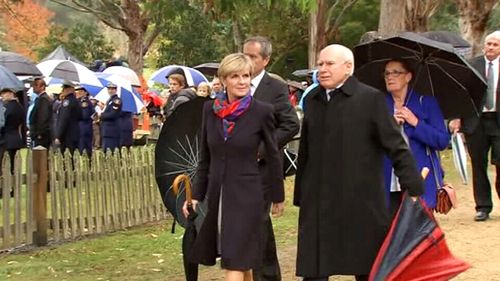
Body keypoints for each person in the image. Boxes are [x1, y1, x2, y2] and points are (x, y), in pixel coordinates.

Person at [293, 44, 424, 281]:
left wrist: (412, 185)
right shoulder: (312, 99)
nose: (322, 69)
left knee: (367, 267)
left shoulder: (369, 99)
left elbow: (395, 145)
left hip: (359, 198)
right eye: (320, 64)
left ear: (348, 67)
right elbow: (306, 151)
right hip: (319, 198)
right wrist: (301, 191)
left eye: (329, 64)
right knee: (315, 268)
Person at [183, 53, 284, 281]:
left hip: (248, 195)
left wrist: (278, 195)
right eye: (235, 76)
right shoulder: (209, 110)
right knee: (240, 258)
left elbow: (273, 154)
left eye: (246, 75)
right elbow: (205, 157)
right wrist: (197, 195)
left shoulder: (262, 111)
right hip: (218, 196)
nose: (242, 81)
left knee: (234, 260)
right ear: (224, 80)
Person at [243, 35, 300, 281]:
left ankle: (266, 276)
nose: (246, 60)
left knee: (258, 223)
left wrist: (262, 148)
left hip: (262, 170)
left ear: (265, 60)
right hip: (234, 170)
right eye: (244, 54)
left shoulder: (274, 88)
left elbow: (290, 125)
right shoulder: (232, 85)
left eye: (253, 56)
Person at [382, 59, 450, 216]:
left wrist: (416, 123)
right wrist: (390, 126)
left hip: (420, 176)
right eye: (386, 73)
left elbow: (442, 141)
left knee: (417, 234)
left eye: (395, 72)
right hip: (387, 180)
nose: (390, 77)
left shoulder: (426, 103)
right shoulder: (378, 103)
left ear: (408, 77)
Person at [449, 30, 500, 221]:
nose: (490, 48)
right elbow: (460, 93)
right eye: (488, 44)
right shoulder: (472, 65)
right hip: (476, 122)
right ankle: (483, 207)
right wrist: (455, 117)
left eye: (495, 45)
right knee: (478, 165)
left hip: (498, 122)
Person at [0, 88, 25, 172]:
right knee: (13, 167)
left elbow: (3, 122)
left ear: (11, 93)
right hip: (16, 139)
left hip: (5, 140)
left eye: (4, 93)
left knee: (5, 167)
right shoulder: (20, 107)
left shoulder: (5, 107)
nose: (2, 96)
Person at [54, 81, 82, 154]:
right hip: (74, 133)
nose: (62, 91)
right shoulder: (76, 101)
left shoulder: (67, 102)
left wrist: (58, 135)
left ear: (69, 89)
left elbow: (63, 119)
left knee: (67, 158)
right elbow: (80, 116)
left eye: (64, 89)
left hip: (67, 135)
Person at [29, 78, 52, 149]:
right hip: (38, 132)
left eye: (36, 85)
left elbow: (43, 117)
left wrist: (39, 133)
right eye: (33, 85)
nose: (34, 87)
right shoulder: (39, 99)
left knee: (41, 154)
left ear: (42, 87)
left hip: (42, 134)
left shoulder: (44, 99)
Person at [100, 82, 122, 152]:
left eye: (112, 89)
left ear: (116, 90)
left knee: (111, 151)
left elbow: (113, 114)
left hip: (112, 130)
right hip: (106, 130)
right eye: (109, 89)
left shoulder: (116, 101)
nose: (110, 91)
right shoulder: (109, 100)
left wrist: (101, 115)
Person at [75, 86, 95, 155]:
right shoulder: (79, 101)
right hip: (82, 128)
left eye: (81, 91)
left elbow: (85, 115)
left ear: (85, 93)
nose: (79, 93)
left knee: (83, 148)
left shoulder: (85, 102)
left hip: (84, 128)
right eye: (78, 91)